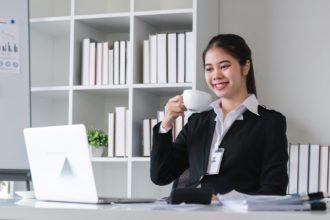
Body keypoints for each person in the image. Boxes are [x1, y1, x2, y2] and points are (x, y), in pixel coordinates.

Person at [150, 34, 288, 195]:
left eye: (224, 66)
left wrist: (233, 205)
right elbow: (160, 175)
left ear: (245, 67)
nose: (215, 75)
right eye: (209, 69)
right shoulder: (197, 122)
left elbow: (274, 189)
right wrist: (166, 124)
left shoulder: (269, 123)